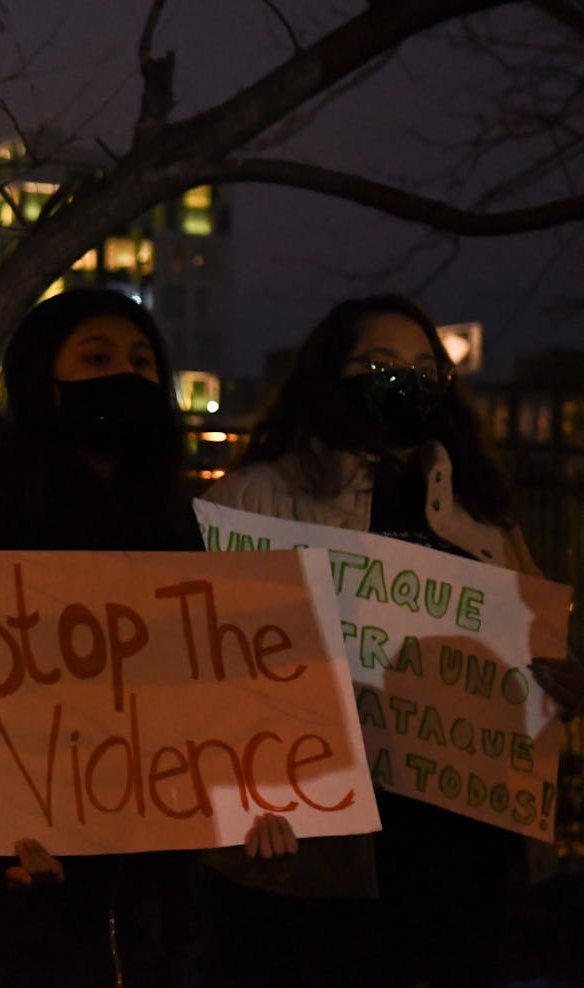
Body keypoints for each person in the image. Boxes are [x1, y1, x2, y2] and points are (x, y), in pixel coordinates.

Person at [0, 288, 295, 987]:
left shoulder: (177, 534)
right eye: (98, 357)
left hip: (149, 924)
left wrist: (258, 801)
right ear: (43, 381)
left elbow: (210, 713)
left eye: (145, 361)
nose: (130, 374)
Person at [200, 293, 582, 987]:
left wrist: (559, 687)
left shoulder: (480, 513)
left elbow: (535, 656)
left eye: (424, 369)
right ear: (328, 375)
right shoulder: (250, 503)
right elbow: (212, 680)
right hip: (326, 858)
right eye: (380, 364)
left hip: (466, 849)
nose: (406, 382)